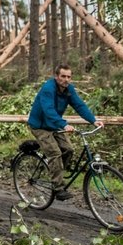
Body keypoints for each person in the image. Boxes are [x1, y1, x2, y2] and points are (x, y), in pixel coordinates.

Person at [27, 63, 103, 200]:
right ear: (56, 76)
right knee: (55, 153)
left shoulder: (69, 90)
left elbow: (79, 105)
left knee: (69, 149)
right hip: (40, 126)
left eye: (69, 77)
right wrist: (64, 124)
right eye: (63, 76)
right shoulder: (48, 89)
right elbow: (48, 110)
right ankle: (58, 188)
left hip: (54, 125)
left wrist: (93, 120)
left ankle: (56, 173)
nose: (66, 79)